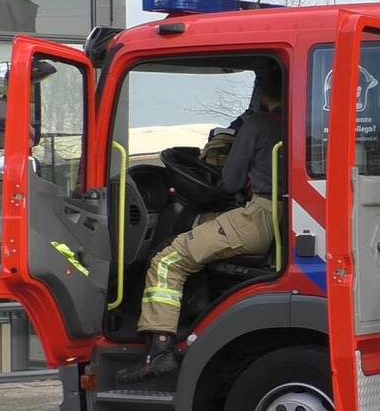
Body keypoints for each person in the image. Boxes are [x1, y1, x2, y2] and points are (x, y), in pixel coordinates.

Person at [116, 69, 284, 384]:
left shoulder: (257, 125)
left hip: (257, 217)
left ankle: (160, 351)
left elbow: (230, 181)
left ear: (263, 92)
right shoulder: (296, 124)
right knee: (196, 230)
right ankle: (197, 307)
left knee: (166, 259)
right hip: (280, 216)